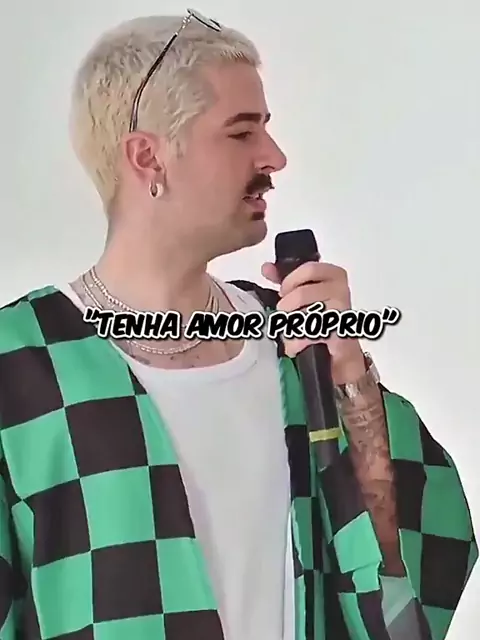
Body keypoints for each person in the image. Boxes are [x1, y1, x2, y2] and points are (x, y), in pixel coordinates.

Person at [0, 9, 476, 640]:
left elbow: (398, 567)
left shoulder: (290, 342)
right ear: (149, 157)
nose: (274, 157)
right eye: (242, 132)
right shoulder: (21, 365)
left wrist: (349, 379)